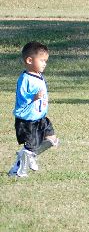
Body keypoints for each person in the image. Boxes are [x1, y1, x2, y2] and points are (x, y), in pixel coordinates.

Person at [9, 42, 60, 178]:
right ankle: (17, 171)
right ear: (29, 60)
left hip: (41, 118)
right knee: (30, 147)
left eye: (45, 61)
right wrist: (34, 97)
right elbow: (22, 97)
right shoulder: (25, 79)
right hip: (27, 121)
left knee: (52, 139)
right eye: (42, 60)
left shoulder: (39, 76)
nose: (45, 64)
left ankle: (29, 155)